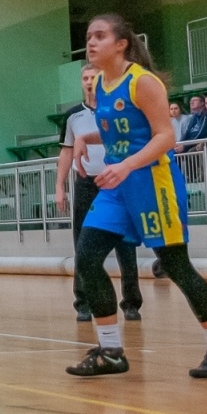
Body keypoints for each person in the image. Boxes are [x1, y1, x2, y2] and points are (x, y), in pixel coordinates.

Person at [65, 14, 207, 379]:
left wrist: (127, 165)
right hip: (117, 187)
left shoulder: (143, 82)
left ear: (121, 43)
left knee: (175, 265)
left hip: (152, 182)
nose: (91, 43)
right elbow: (121, 133)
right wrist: (86, 138)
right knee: (87, 257)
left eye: (99, 36)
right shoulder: (102, 83)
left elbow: (165, 137)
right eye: (88, 37)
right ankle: (111, 350)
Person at [55, 65, 141, 323]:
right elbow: (66, 152)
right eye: (85, 78)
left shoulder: (116, 109)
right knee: (82, 243)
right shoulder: (72, 117)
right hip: (85, 182)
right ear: (81, 82)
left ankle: (131, 302)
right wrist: (60, 187)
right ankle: (83, 301)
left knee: (125, 243)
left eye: (94, 77)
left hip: (118, 181)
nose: (90, 81)